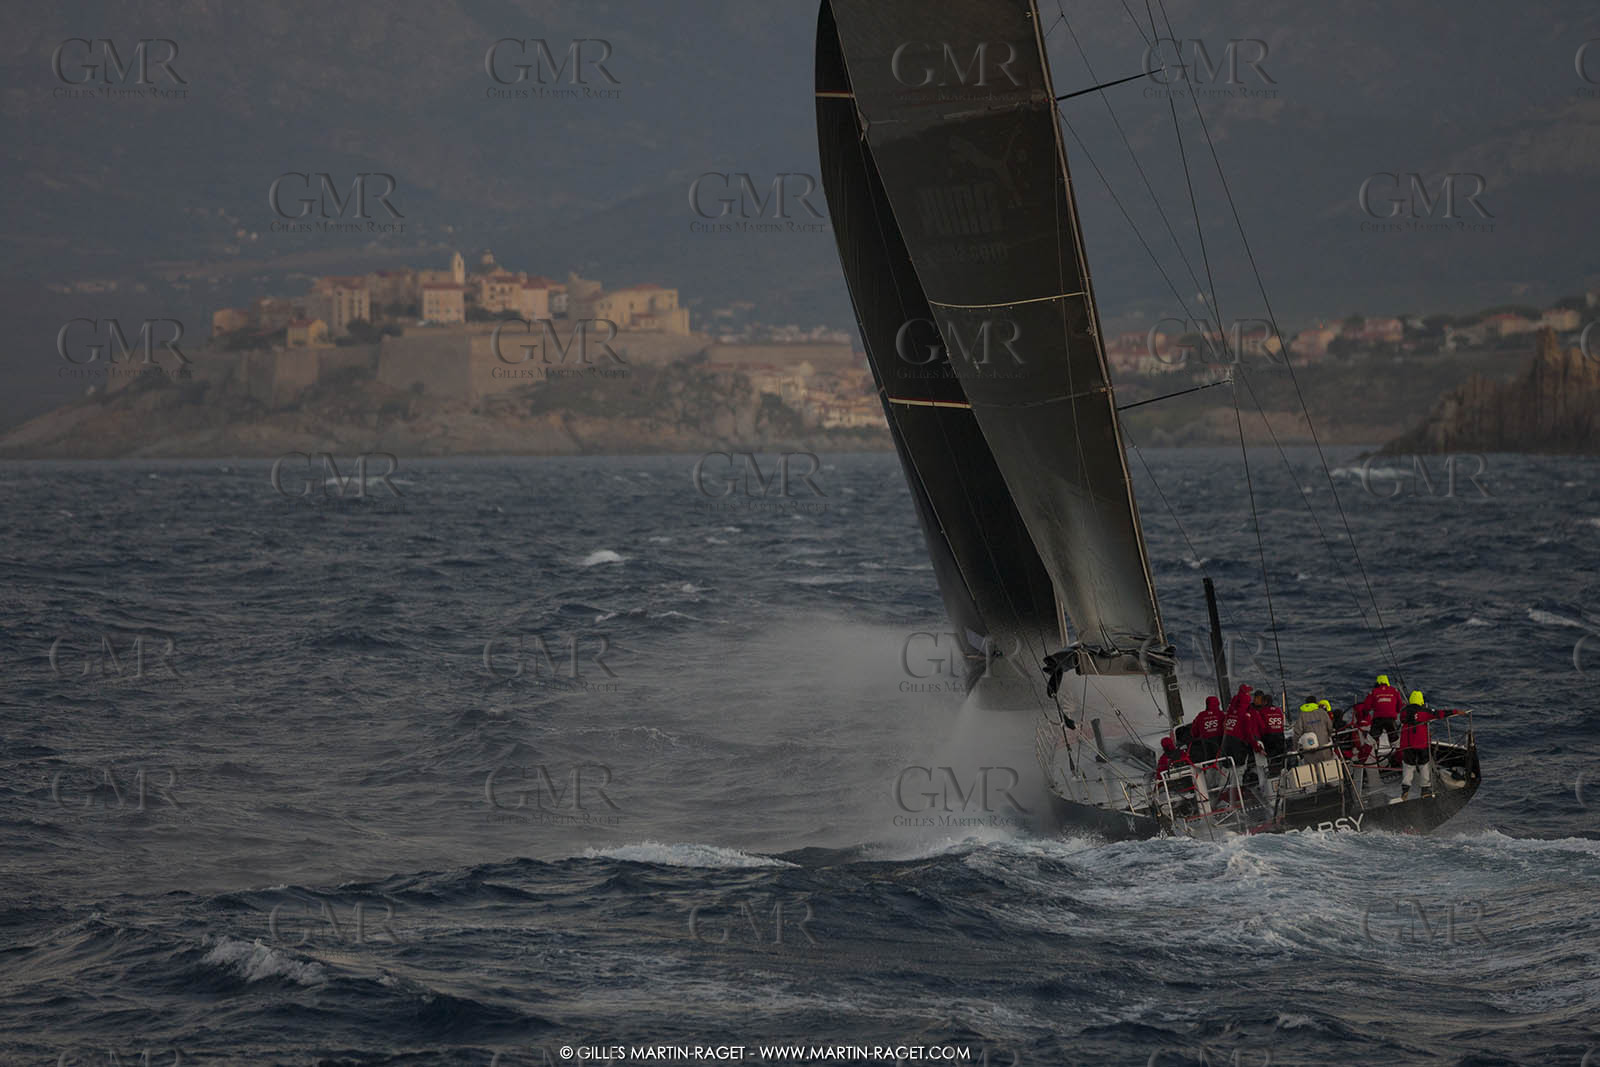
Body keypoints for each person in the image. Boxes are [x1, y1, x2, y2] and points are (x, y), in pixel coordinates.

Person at [1398, 690, 1462, 800]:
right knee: (1424, 766)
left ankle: (1405, 791)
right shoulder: (1424, 712)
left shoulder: (1403, 712)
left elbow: (1403, 719)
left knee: (1408, 767)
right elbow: (1439, 714)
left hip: (1407, 745)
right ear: (1421, 700)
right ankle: (1425, 790)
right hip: (1421, 745)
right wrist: (1455, 711)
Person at [1355, 674, 1406, 762]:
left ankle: (1361, 760)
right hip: (1391, 719)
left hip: (1378, 720)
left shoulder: (1374, 692)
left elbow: (1366, 707)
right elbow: (1399, 706)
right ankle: (1401, 760)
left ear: (1378, 683)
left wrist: (1366, 712)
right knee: (1395, 741)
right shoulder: (1395, 691)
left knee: (1370, 740)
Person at [1253, 690, 1288, 776]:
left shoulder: (1262, 712)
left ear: (1265, 702)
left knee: (1270, 759)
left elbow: (1261, 727)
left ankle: (1272, 776)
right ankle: (1282, 774)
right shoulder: (1278, 710)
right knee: (1280, 758)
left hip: (1269, 737)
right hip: (1280, 736)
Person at [1188, 695, 1225, 765]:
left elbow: (1194, 732)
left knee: (1210, 762)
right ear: (1217, 704)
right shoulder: (1221, 714)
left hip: (1206, 745)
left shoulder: (1201, 716)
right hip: (1220, 743)